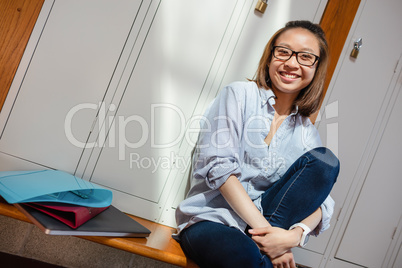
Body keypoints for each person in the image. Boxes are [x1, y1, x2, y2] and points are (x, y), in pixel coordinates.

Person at [174, 20, 340, 268]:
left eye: (305, 57)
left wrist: (289, 238)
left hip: (269, 227)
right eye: (283, 51)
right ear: (270, 56)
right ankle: (262, 251)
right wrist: (269, 237)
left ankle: (264, 249)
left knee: (326, 162)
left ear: (316, 67)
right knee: (247, 257)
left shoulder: (308, 133)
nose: (292, 63)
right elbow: (218, 167)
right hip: (212, 221)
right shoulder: (239, 95)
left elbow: (323, 203)